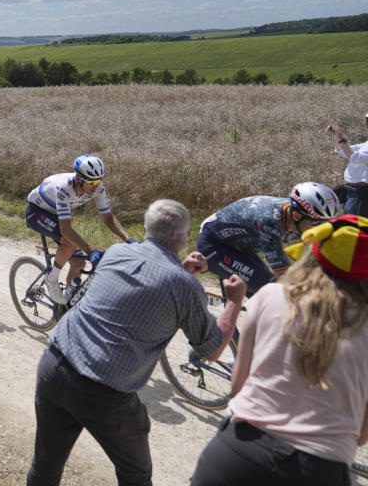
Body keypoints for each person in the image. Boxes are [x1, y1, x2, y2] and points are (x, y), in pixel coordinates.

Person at [26, 199, 246, 486]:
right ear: (184, 239)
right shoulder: (185, 287)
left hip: (54, 366)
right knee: (136, 478)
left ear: (144, 228)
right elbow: (213, 349)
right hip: (105, 394)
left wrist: (182, 272)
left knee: (45, 464)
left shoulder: (117, 253)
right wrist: (234, 301)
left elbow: (143, 283)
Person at [190, 214, 368, 485]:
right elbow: (361, 434)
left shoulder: (271, 296)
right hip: (317, 470)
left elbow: (238, 386)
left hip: (235, 454)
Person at [197, 181, 341, 297]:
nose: (321, 227)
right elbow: (283, 276)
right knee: (272, 290)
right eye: (317, 222)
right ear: (297, 216)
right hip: (213, 243)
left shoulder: (297, 214)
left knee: (263, 292)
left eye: (325, 222)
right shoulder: (269, 222)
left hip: (239, 246)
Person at [25, 154, 134, 303]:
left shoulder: (98, 188)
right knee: (70, 242)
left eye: (99, 180)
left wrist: (129, 240)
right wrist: (91, 251)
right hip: (37, 212)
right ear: (79, 179)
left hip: (55, 214)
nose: (96, 185)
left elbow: (108, 218)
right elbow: (65, 229)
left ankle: (66, 304)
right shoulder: (64, 187)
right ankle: (52, 279)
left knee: (79, 263)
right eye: (92, 182)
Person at [326, 114, 368, 217]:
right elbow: (345, 151)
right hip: (353, 192)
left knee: (357, 228)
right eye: (366, 120)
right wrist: (335, 137)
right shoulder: (365, 144)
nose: (365, 123)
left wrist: (341, 139)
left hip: (362, 194)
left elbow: (355, 157)